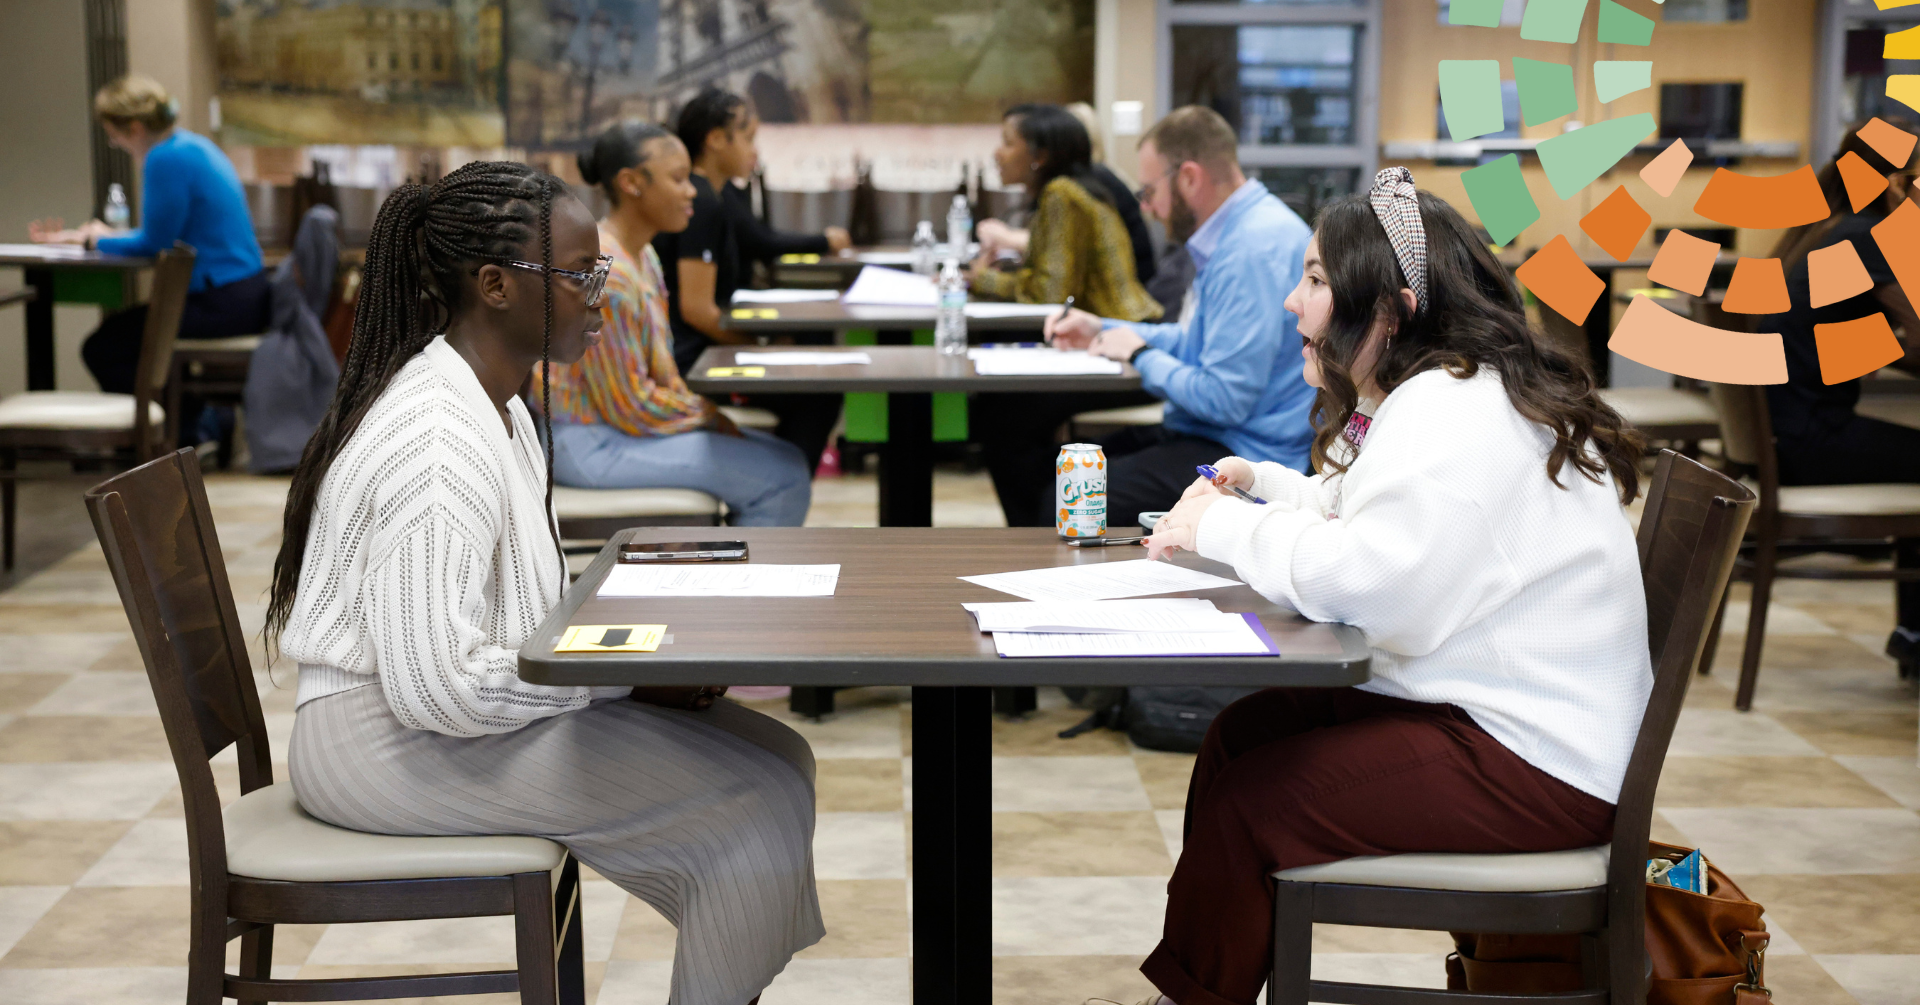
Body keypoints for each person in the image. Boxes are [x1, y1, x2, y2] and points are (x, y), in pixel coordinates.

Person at [270, 161, 821, 1005]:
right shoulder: (437, 445)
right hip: (380, 743)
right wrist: (617, 683)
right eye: (580, 275)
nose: (601, 293)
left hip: (426, 719)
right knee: (749, 804)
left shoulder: (502, 404)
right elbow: (440, 688)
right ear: (494, 285)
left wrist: (633, 674)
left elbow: (512, 625)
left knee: (781, 754)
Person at [1130, 170, 1649, 1005]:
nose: (1293, 306)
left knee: (1253, 806)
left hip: (1537, 764)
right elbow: (1372, 520)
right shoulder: (1447, 392)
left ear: (1391, 308)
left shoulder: (1455, 415)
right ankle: (1200, 985)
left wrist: (1222, 529)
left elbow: (1374, 589)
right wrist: (1264, 489)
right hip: (1500, 716)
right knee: (1241, 736)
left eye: (1316, 281)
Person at [975, 105, 1316, 529]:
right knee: (1052, 469)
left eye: (1150, 191)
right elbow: (1196, 341)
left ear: (1189, 177)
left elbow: (1224, 400)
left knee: (1067, 498)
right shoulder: (1239, 232)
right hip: (1210, 433)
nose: (1149, 209)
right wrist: (1105, 328)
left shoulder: (1251, 250)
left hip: (1244, 455)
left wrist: (1139, 354)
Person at [543, 122, 813, 526]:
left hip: (617, 430)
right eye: (679, 179)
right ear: (632, 183)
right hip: (590, 442)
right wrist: (709, 416)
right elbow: (628, 406)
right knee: (784, 478)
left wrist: (703, 416)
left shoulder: (644, 255)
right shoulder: (609, 274)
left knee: (788, 457)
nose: (692, 192)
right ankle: (740, 588)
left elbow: (657, 376)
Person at [1763, 116, 1920, 673]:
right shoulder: (1865, 237)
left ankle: (1912, 633)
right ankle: (1915, 636)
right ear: (1899, 180)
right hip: (1809, 439)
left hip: (1782, 433)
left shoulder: (1824, 226)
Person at [31, 75, 267, 438]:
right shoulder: (192, 146)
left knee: (103, 348)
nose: (115, 143)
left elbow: (153, 243)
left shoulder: (164, 159)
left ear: (136, 128)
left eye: (114, 135)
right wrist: (103, 237)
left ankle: (183, 431)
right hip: (243, 294)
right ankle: (193, 424)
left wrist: (95, 241)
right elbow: (161, 236)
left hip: (220, 302)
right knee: (125, 340)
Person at [654, 87, 845, 469]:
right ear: (715, 140)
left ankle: (778, 485)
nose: (753, 149)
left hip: (703, 351)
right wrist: (762, 347)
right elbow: (696, 311)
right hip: (696, 363)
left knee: (816, 372)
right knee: (819, 393)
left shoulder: (718, 197)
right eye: (746, 137)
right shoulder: (702, 203)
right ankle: (781, 486)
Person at [967, 103, 1161, 319]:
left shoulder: (1062, 195)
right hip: (1115, 325)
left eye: (1008, 143)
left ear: (1039, 157)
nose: (997, 153)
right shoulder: (1071, 189)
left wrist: (984, 278)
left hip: (1118, 329)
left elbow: (1050, 294)